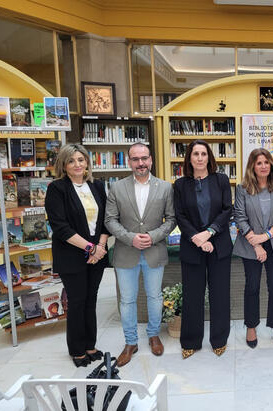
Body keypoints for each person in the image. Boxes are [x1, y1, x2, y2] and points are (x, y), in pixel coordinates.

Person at [105, 142, 176, 367]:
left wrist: (153, 236)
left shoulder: (165, 187)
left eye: (144, 158)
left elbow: (172, 219)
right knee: (127, 300)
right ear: (129, 161)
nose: (141, 163)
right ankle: (131, 342)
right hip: (126, 252)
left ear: (151, 160)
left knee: (154, 297)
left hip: (154, 250)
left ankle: (154, 335)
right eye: (135, 159)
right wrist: (130, 238)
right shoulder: (117, 188)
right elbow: (109, 220)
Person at [45, 144, 110, 367]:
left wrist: (100, 247)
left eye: (81, 159)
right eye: (71, 160)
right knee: (77, 300)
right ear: (63, 165)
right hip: (71, 255)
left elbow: (106, 220)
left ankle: (90, 345)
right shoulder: (57, 189)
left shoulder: (97, 186)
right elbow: (61, 227)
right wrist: (90, 248)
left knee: (91, 300)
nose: (77, 164)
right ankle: (77, 350)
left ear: (87, 163)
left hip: (97, 254)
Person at [173, 139, 233, 358]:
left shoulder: (221, 180)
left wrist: (210, 233)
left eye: (203, 154)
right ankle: (190, 341)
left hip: (218, 245)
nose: (199, 158)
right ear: (189, 158)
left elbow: (227, 210)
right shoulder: (180, 185)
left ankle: (219, 339)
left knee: (220, 294)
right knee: (192, 296)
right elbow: (180, 215)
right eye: (195, 154)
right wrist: (197, 238)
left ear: (209, 157)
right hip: (192, 246)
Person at [233, 148, 273, 348]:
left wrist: (265, 236)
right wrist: (256, 243)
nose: (263, 166)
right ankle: (251, 326)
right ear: (252, 166)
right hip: (250, 246)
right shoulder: (242, 189)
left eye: (266, 162)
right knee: (252, 287)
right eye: (259, 163)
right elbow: (239, 217)